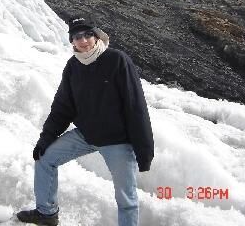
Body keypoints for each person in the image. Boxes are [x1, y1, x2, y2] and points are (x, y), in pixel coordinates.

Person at [17, 15, 154, 226]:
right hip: (86, 135)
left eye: (88, 34)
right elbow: (63, 107)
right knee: (45, 159)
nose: (83, 40)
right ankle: (47, 213)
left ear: (96, 35)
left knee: (126, 199)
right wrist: (46, 139)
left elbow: (136, 107)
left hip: (117, 139)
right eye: (77, 36)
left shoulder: (117, 60)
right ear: (71, 41)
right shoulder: (73, 67)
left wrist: (144, 151)